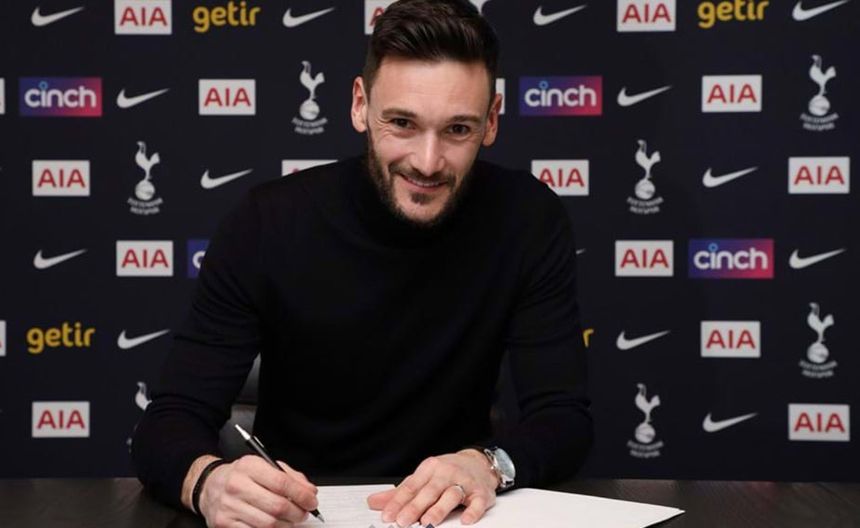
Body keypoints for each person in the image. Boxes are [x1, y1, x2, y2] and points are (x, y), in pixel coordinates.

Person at [131, 0, 593, 526]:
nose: (427, 161)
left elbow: (563, 419)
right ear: (359, 105)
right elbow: (167, 424)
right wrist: (209, 483)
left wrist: (487, 464)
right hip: (298, 517)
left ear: (491, 121)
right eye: (402, 123)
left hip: (452, 517)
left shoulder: (527, 219)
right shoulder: (267, 222)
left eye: (457, 130)